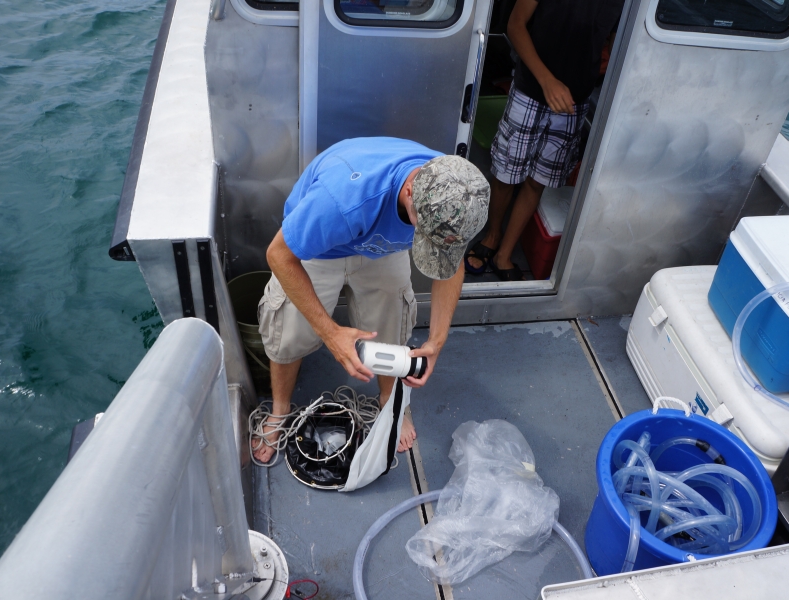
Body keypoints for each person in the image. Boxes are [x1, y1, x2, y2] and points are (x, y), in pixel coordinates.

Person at [252, 137, 490, 463]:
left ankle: (390, 399)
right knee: (288, 334)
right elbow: (278, 256)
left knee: (391, 325)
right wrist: (331, 333)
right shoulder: (341, 200)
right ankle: (280, 409)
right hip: (321, 245)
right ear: (410, 192)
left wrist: (436, 340)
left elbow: (451, 264)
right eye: (427, 234)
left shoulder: (456, 187)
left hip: (382, 246)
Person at [466, 0, 624, 280]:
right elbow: (515, 26)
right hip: (530, 89)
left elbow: (613, 43)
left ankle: (505, 253)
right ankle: (492, 235)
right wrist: (547, 81)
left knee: (537, 179)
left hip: (575, 100)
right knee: (506, 174)